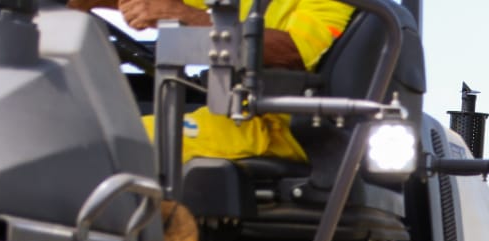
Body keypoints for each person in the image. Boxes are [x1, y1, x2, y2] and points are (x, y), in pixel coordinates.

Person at [71, 0, 355, 161]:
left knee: (111, 143)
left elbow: (290, 51)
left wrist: (181, 15)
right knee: (84, 127)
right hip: (234, 111)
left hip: (274, 126)